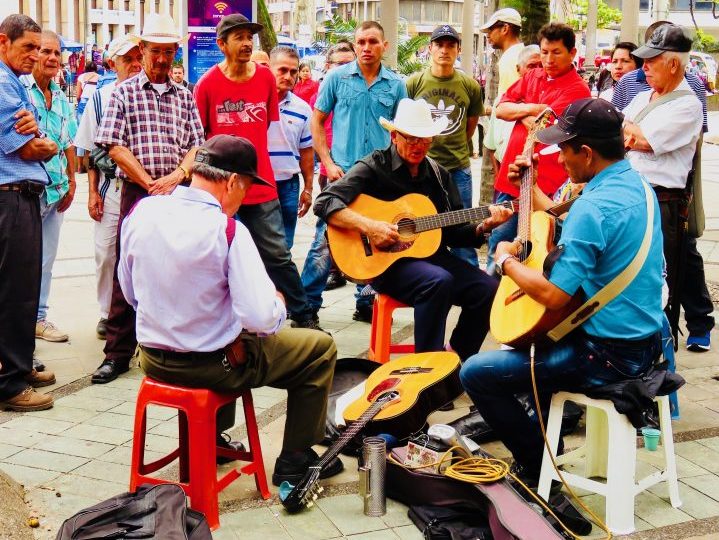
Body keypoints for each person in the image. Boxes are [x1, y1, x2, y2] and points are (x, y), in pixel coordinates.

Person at [460, 98, 665, 487]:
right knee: (530, 348)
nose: (560, 158)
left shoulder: (595, 206)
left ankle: (539, 469)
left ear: (586, 153)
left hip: (605, 355)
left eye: (564, 149)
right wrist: (531, 187)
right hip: (646, 342)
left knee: (476, 373)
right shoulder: (637, 186)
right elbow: (568, 219)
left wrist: (504, 261)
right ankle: (540, 434)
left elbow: (554, 296)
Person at [121, 135, 342, 486]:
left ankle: (212, 439)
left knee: (227, 329)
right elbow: (261, 319)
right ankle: (296, 460)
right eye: (248, 187)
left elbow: (131, 293)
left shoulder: (142, 211)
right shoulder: (227, 231)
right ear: (233, 182)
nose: (245, 197)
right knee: (318, 349)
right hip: (210, 367)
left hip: (151, 357)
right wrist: (278, 305)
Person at [314, 98, 512, 360]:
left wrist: (484, 225)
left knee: (489, 290)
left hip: (432, 257)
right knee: (438, 281)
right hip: (385, 263)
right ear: (395, 136)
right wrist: (370, 226)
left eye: (425, 139)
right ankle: (425, 370)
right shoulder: (374, 166)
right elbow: (325, 201)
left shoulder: (439, 175)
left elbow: (452, 231)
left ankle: (454, 359)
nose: (418, 146)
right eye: (411, 138)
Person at [91, 13, 205, 384]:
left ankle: (170, 347)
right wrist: (149, 181)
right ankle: (117, 353)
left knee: (176, 268)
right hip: (138, 191)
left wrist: (175, 177)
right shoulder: (123, 91)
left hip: (177, 191)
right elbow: (113, 144)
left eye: (168, 52)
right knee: (127, 268)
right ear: (142, 51)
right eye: (155, 51)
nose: (161, 59)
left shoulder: (185, 95)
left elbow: (195, 148)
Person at [194, 14, 321, 329]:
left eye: (250, 36)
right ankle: (224, 322)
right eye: (238, 37)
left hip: (261, 185)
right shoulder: (207, 84)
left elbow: (264, 126)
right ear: (222, 44)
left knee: (277, 254)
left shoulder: (265, 78)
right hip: (220, 189)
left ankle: (304, 314)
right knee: (220, 258)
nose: (247, 43)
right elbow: (201, 138)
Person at [622, 24, 713, 351]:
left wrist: (630, 133)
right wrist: (628, 132)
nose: (643, 67)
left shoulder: (688, 103)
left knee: (662, 282)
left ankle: (664, 347)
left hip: (662, 203)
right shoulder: (642, 95)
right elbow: (618, 131)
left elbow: (643, 141)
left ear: (673, 64)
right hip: (630, 196)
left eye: (651, 61)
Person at [312, 21, 407, 322]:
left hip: (379, 177)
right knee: (323, 241)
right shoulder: (337, 78)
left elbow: (402, 132)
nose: (366, 48)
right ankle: (305, 309)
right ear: (354, 46)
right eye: (361, 42)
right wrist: (327, 162)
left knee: (376, 240)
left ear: (384, 46)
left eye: (373, 42)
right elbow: (316, 121)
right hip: (342, 173)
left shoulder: (395, 84)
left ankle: (366, 304)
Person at [486, 22, 591, 276]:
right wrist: (531, 109)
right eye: (544, 52)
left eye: (556, 52)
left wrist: (521, 109)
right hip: (511, 178)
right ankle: (489, 305)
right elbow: (501, 109)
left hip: (545, 186)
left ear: (572, 54)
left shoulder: (578, 90)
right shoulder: (534, 75)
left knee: (536, 249)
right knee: (497, 242)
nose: (548, 59)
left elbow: (544, 127)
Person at [0, 14, 59, 412]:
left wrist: (41, 137)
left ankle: (16, 366)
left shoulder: (15, 82)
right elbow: (26, 147)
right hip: (11, 196)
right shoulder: (4, 84)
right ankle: (11, 382)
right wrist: (42, 141)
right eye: (28, 47)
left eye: (39, 48)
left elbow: (41, 137)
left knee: (17, 289)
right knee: (17, 293)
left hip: (19, 195)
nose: (35, 55)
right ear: (3, 42)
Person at [74, 35, 142, 340]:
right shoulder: (99, 99)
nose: (135, 64)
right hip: (111, 186)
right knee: (106, 253)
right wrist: (91, 193)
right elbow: (88, 151)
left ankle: (140, 312)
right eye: (127, 59)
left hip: (144, 187)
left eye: (138, 57)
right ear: (113, 64)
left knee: (142, 253)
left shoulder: (148, 94)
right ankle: (107, 313)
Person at [406, 24, 483, 268]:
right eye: (439, 44)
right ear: (430, 48)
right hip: (421, 168)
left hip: (458, 168)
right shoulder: (413, 83)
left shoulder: (469, 85)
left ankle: (471, 290)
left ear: (458, 49)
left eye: (451, 45)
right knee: (418, 228)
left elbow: (470, 126)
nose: (444, 50)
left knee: (463, 230)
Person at [21, 31, 78, 344]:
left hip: (55, 193)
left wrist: (71, 182)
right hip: (26, 192)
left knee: (45, 261)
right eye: (45, 51)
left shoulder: (60, 96)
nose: (52, 59)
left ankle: (39, 318)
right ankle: (18, 325)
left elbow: (68, 142)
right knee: (20, 263)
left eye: (57, 53)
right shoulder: (20, 91)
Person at [300, 42, 357, 306]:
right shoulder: (323, 92)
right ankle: (307, 302)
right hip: (333, 173)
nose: (345, 69)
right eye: (339, 64)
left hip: (366, 173)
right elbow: (315, 130)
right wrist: (327, 163)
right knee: (326, 233)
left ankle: (366, 300)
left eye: (349, 63)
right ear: (328, 67)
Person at [267, 46, 314, 249]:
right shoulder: (255, 102)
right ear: (269, 69)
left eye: (293, 72)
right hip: (256, 183)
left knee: (284, 246)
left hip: (288, 185)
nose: (289, 76)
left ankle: (278, 282)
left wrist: (309, 189)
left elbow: (306, 152)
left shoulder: (302, 109)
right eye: (282, 70)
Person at [484, 45, 541, 175]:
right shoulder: (502, 102)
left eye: (541, 66)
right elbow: (492, 147)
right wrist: (499, 178)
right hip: (506, 180)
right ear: (518, 69)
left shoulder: (549, 99)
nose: (537, 72)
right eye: (532, 66)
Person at [481, 8, 524, 97]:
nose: (488, 35)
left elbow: (510, 100)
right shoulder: (523, 53)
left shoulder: (510, 58)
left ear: (505, 29)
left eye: (491, 30)